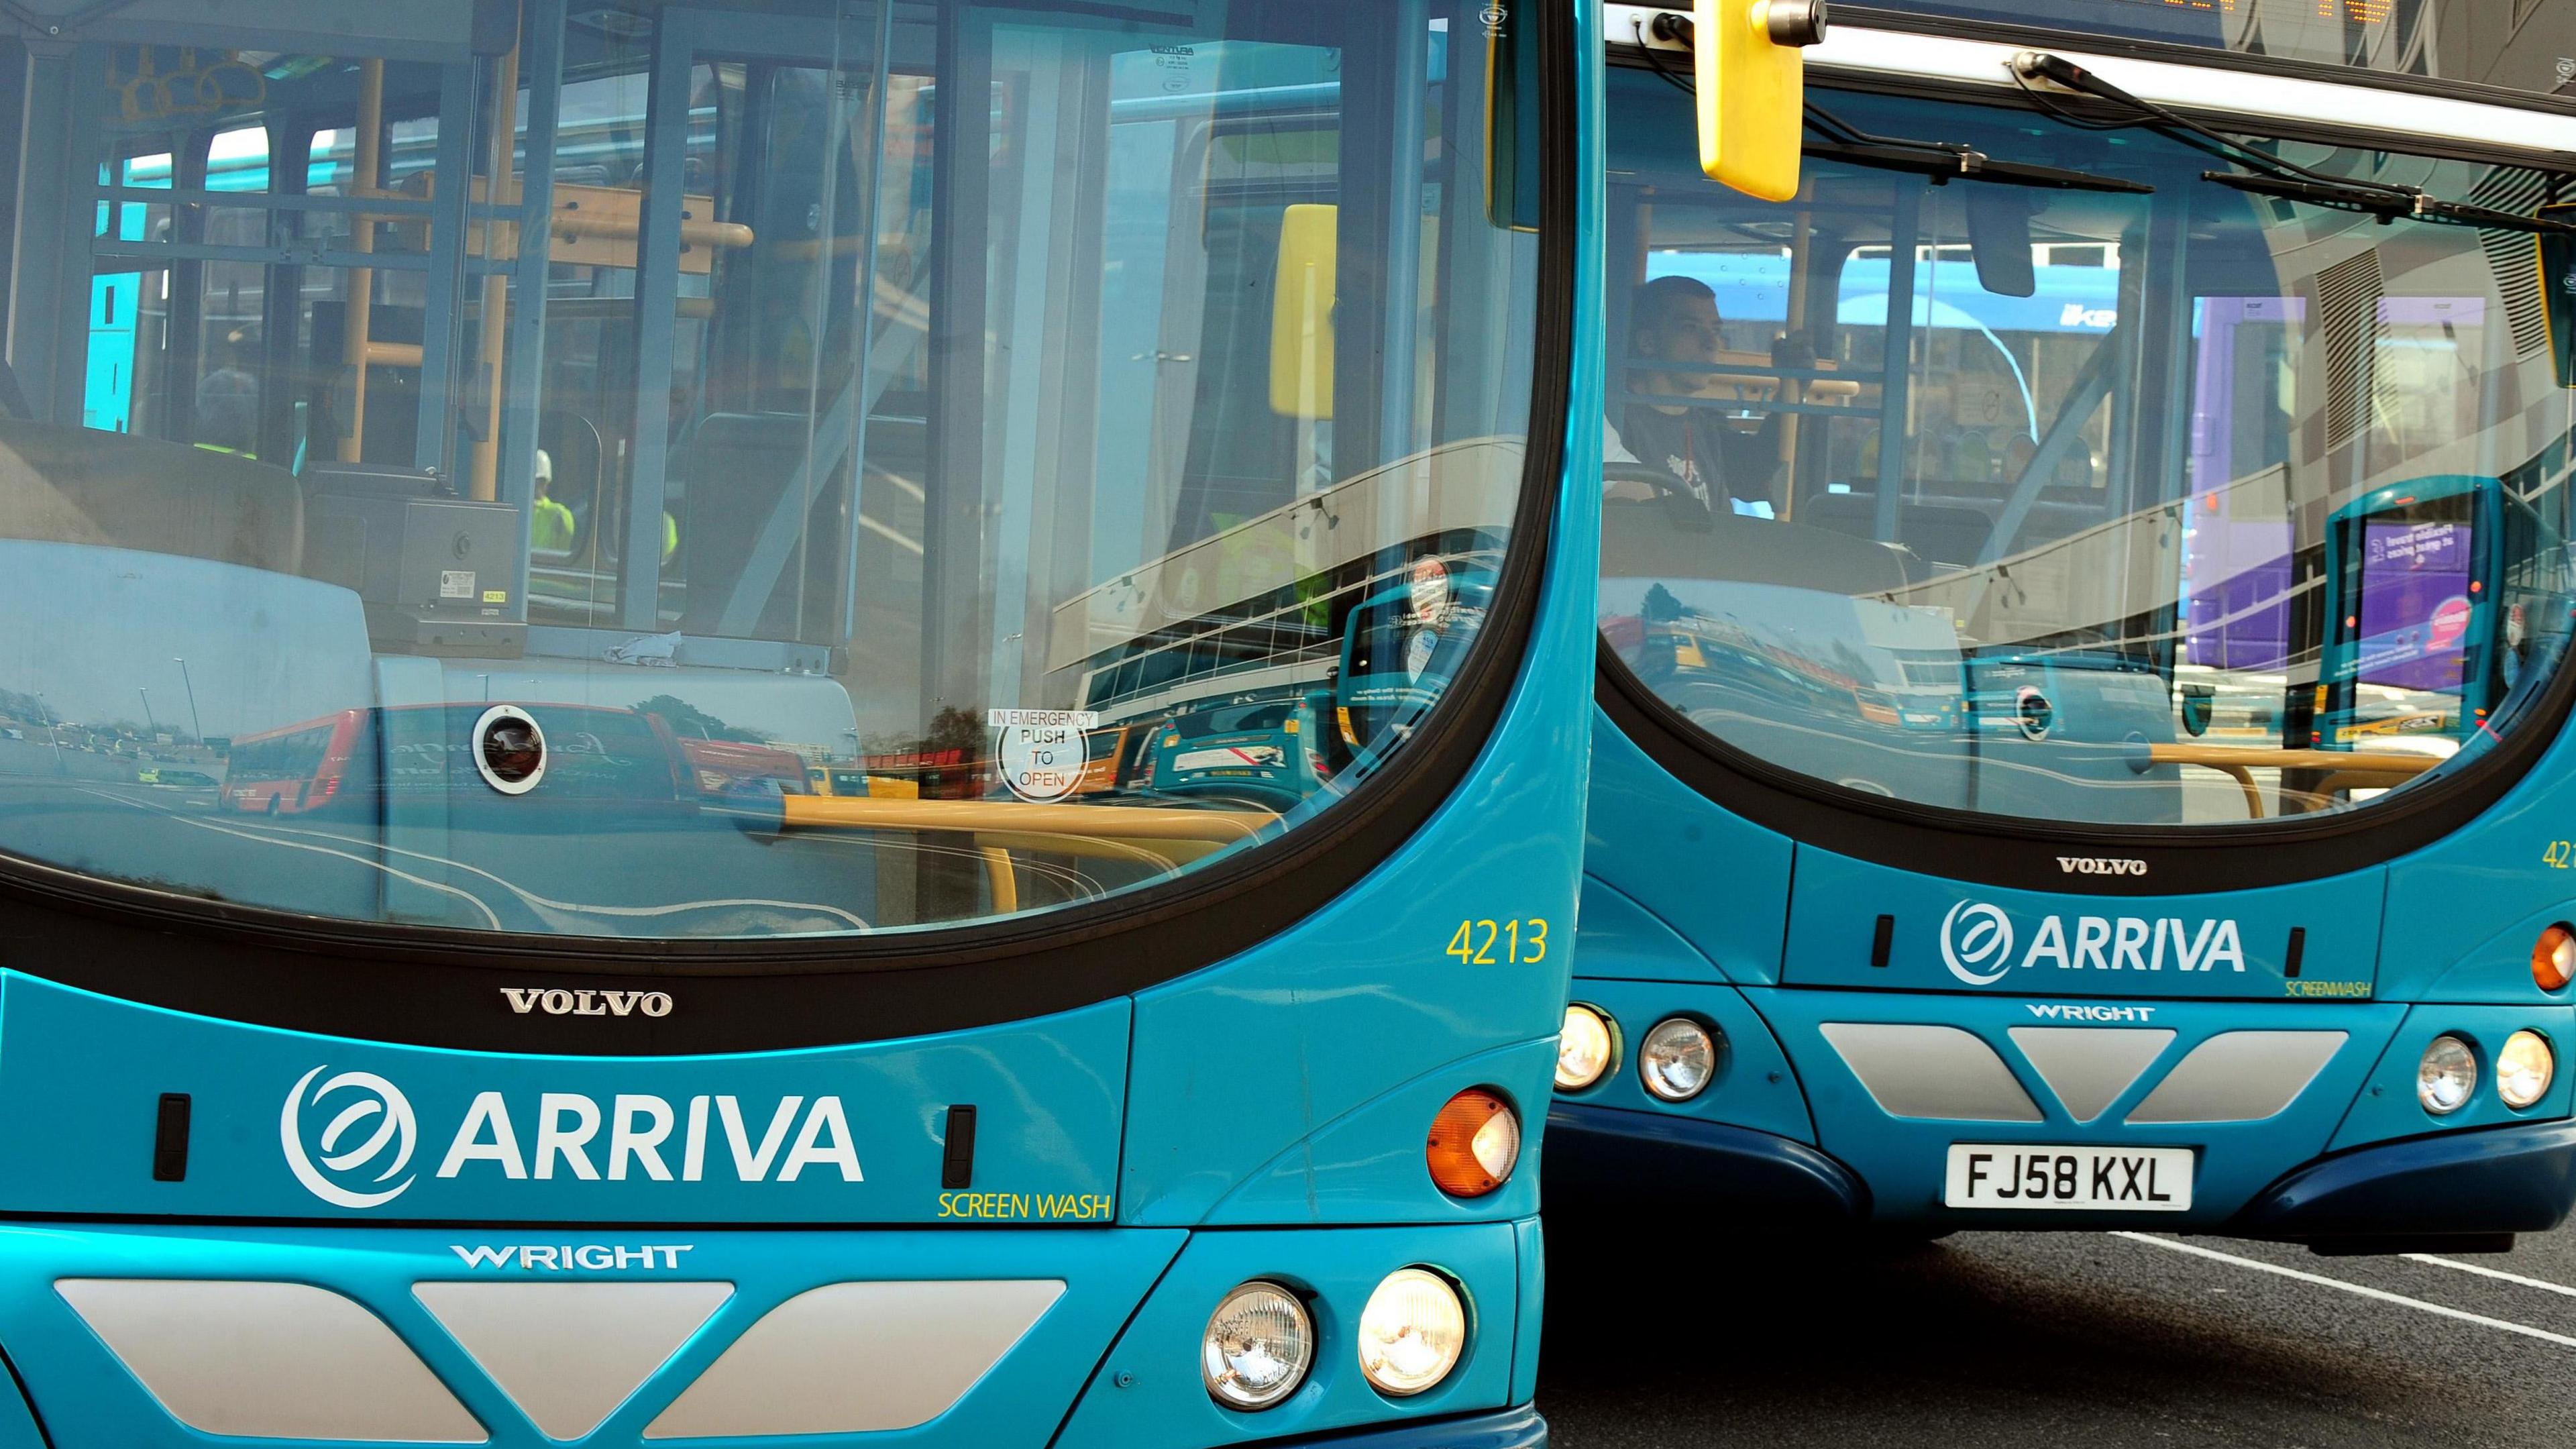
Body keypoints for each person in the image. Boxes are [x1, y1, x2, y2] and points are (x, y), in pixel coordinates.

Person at [1609, 274, 1807, 517]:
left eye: (1715, 330)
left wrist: (1794, 385)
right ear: (1648, 342)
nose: (1711, 343)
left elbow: (1761, 469)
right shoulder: (1616, 424)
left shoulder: (1707, 427)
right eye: (1690, 328)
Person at [529, 448, 576, 552]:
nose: (536, 485)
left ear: (547, 483)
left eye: (541, 481)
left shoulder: (560, 515)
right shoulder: (515, 512)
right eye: (535, 481)